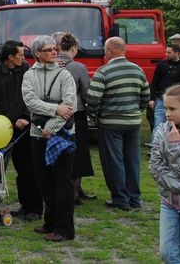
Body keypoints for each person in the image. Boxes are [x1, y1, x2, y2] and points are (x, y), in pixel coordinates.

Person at [22, 35, 77, 242]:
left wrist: (51, 129)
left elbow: (69, 106)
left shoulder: (65, 75)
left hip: (62, 136)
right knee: (44, 182)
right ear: (38, 53)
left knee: (62, 183)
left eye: (55, 49)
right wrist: (54, 108)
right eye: (49, 49)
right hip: (37, 136)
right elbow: (30, 102)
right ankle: (50, 222)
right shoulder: (29, 76)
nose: (54, 52)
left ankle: (64, 229)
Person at [87, 37, 150, 212]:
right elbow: (146, 95)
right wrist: (136, 110)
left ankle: (121, 199)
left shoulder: (103, 72)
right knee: (133, 161)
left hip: (110, 123)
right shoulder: (138, 70)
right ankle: (135, 199)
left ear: (110, 50)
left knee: (114, 161)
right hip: (133, 122)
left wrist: (95, 116)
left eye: (106, 50)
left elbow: (93, 99)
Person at [0, 40, 43, 221]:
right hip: (6, 129)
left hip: (27, 127)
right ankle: (25, 205)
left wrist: (25, 117)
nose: (23, 58)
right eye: (20, 54)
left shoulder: (27, 71)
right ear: (10, 57)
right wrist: (1, 118)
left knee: (31, 168)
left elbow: (33, 96)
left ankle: (35, 208)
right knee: (19, 169)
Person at [149, 82, 180, 263]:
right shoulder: (162, 130)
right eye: (166, 108)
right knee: (167, 253)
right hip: (168, 202)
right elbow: (155, 165)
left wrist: (176, 146)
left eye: (172, 109)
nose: (167, 114)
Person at [56, 33, 96, 205]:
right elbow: (87, 92)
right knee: (78, 152)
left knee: (61, 152)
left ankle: (65, 189)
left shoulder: (51, 64)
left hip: (56, 113)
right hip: (76, 113)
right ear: (73, 48)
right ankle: (75, 191)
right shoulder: (79, 67)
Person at [149, 43, 180, 143]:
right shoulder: (161, 65)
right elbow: (154, 82)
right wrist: (152, 99)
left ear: (177, 53)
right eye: (166, 52)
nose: (166, 54)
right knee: (158, 124)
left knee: (176, 124)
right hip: (161, 99)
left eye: (169, 52)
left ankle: (175, 146)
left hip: (177, 101)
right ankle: (154, 147)